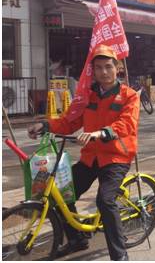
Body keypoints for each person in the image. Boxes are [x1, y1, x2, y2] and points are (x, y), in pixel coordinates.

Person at [28, 45, 139, 261]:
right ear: (93, 71)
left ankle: (119, 255)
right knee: (61, 195)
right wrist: (45, 125)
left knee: (105, 201)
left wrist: (102, 132)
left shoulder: (129, 96)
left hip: (116, 156)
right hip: (91, 156)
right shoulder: (88, 97)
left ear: (117, 69)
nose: (104, 72)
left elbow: (127, 124)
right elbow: (69, 122)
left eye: (108, 67)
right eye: (98, 68)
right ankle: (77, 239)